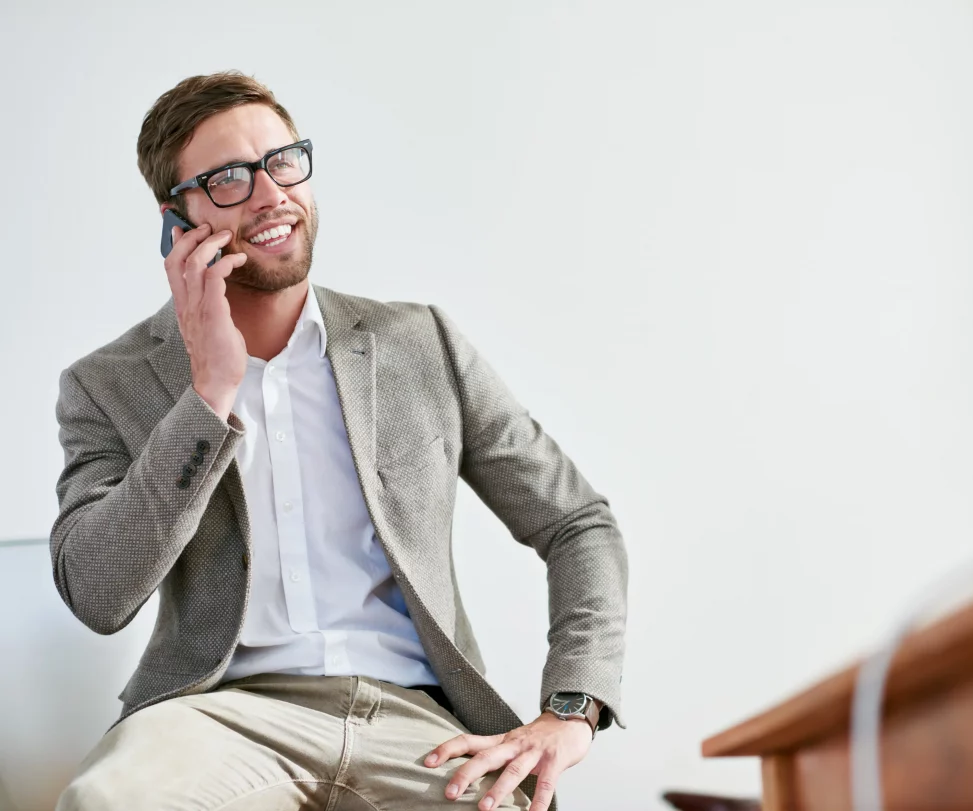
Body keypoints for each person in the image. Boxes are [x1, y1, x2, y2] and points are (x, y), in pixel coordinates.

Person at [50, 70, 627, 811]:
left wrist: (573, 708)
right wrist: (207, 393)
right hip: (217, 717)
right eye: (229, 178)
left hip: (418, 722)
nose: (270, 195)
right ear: (176, 219)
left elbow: (576, 521)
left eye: (283, 161)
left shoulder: (422, 344)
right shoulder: (107, 383)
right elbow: (98, 595)